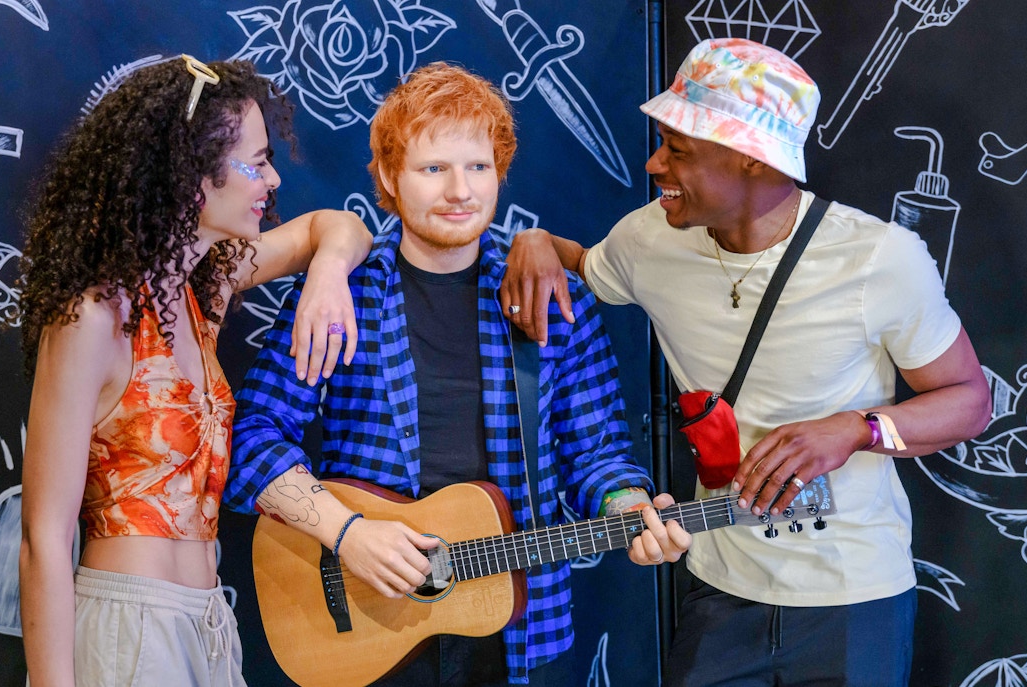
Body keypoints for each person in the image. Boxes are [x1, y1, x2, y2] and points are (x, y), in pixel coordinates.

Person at [501, 38, 991, 686]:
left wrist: (854, 429)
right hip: (717, 590)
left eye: (678, 150)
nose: (653, 164)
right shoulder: (648, 238)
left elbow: (970, 399)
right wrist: (535, 242)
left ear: (750, 159)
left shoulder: (881, 259)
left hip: (853, 597)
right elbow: (581, 264)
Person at [223, 62, 692, 686]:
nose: (459, 191)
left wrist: (629, 504)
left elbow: (597, 451)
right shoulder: (342, 296)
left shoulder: (551, 298)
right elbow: (249, 439)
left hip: (511, 628)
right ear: (391, 175)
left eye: (477, 167)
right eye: (433, 168)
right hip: (362, 621)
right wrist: (349, 535)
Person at [17, 56, 374, 687]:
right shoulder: (94, 317)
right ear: (191, 175)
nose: (270, 180)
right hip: (130, 627)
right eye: (257, 161)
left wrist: (325, 276)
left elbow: (339, 228)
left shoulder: (201, 289)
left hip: (209, 621)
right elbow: (44, 538)